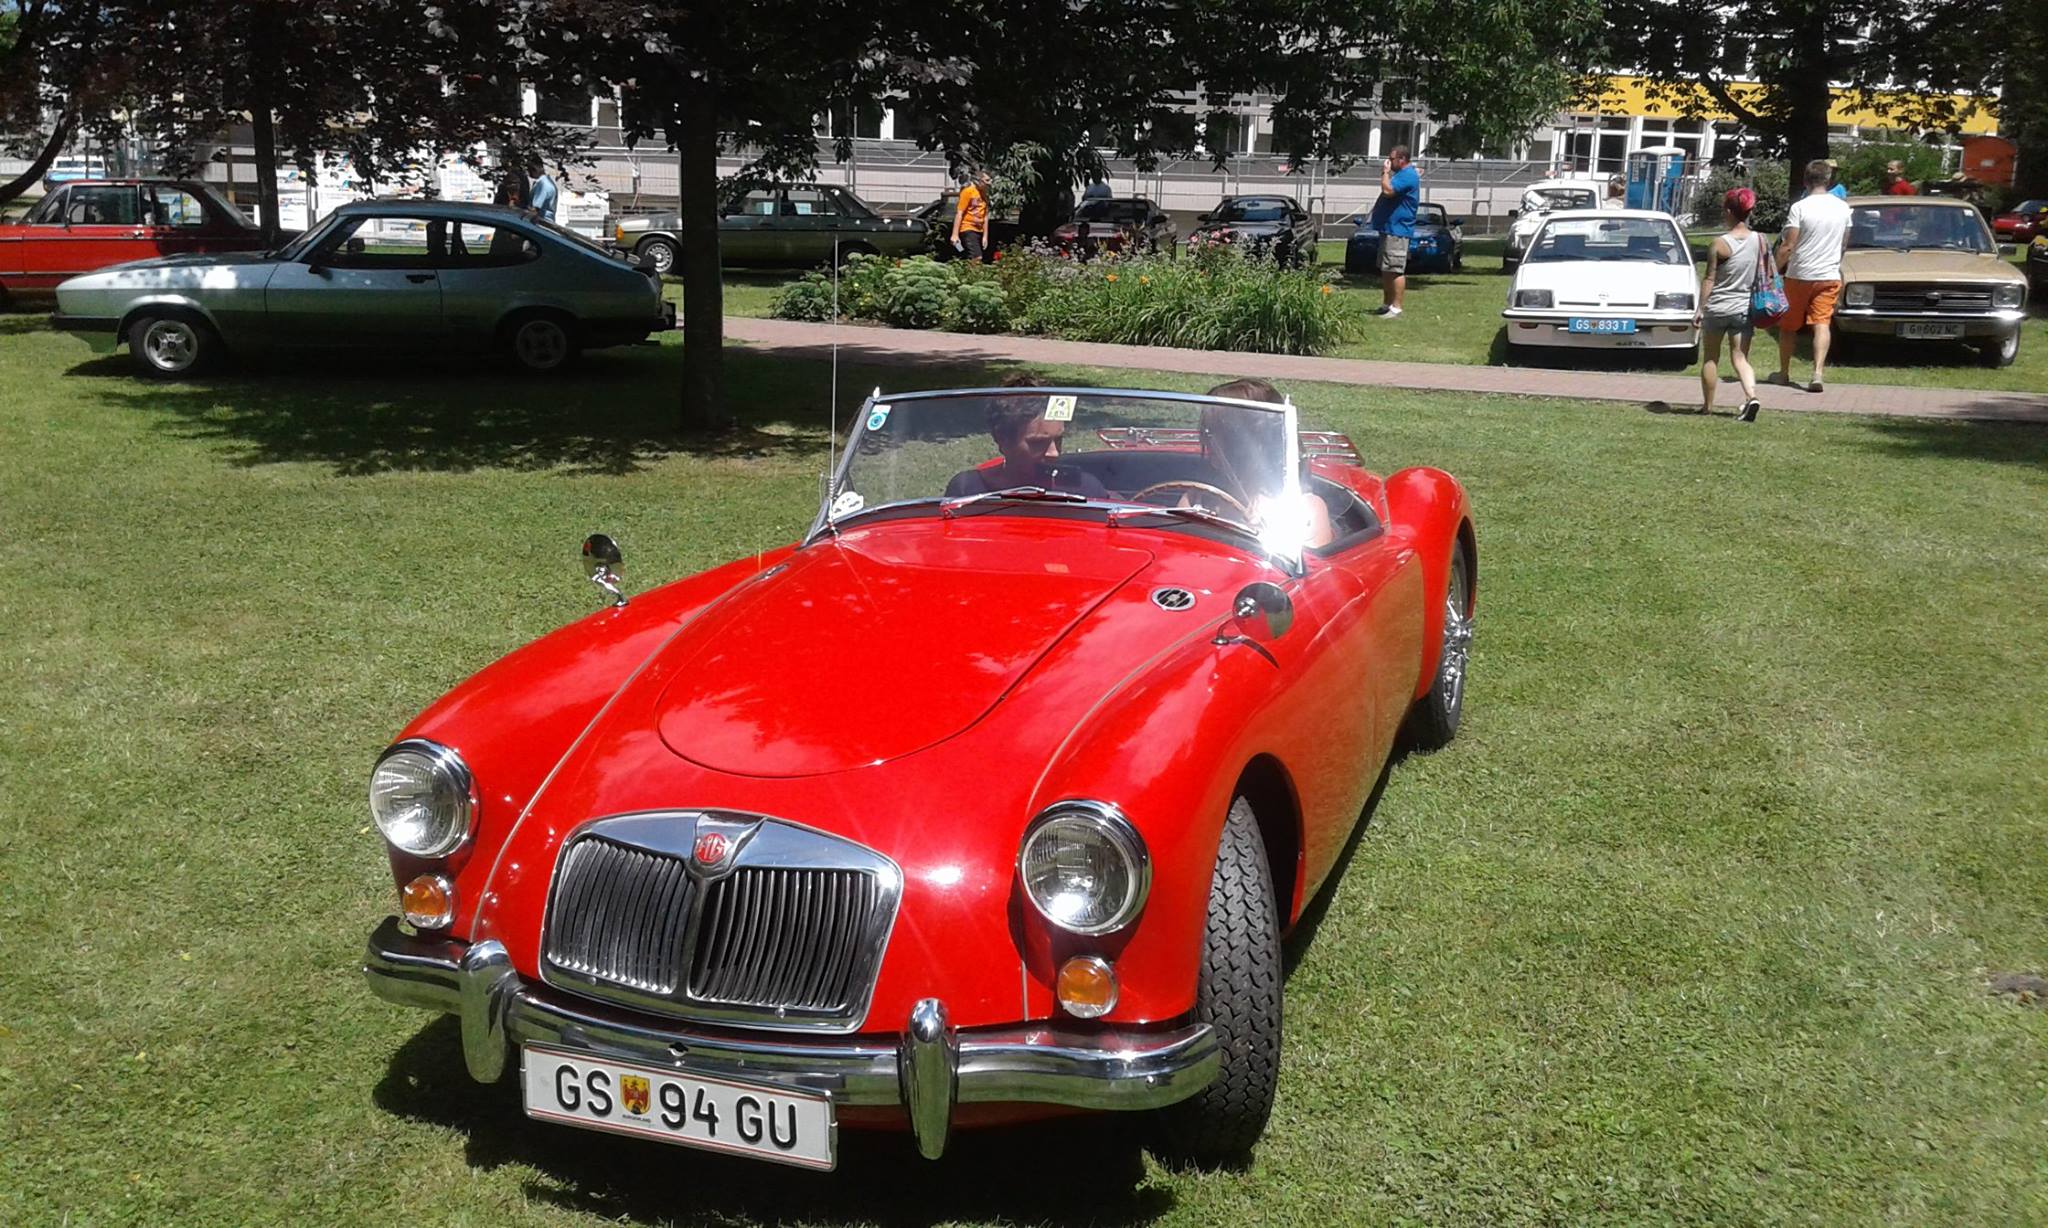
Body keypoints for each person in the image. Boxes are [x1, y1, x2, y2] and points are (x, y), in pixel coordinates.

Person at [1204, 379, 1334, 549]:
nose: (1210, 443)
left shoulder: (1303, 509)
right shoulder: (1199, 500)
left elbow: (1311, 571)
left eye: (1221, 434)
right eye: (1208, 433)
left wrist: (1257, 532)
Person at [943, 374, 1110, 499]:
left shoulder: (1084, 490)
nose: (1054, 453)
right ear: (1002, 439)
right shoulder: (968, 491)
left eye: (1058, 440)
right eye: (1038, 443)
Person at [1773, 157, 1853, 393]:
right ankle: (1817, 373)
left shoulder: (1800, 207)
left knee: (1788, 326)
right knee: (1822, 323)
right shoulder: (1843, 208)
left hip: (1800, 274)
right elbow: (1843, 245)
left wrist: (1773, 270)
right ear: (1828, 180)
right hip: (1829, 274)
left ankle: (1784, 372)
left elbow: (1788, 245)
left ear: (1806, 180)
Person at [1697, 187, 1763, 422]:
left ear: (1728, 211)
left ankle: (1707, 407)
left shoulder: (1719, 243)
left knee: (1711, 358)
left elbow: (1709, 278)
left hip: (1717, 308)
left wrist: (1700, 309)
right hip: (1742, 308)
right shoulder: (1759, 240)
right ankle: (1751, 395)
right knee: (1740, 358)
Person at [1372, 146, 1421, 317]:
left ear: (1402, 159)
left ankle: (1397, 307)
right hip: (1389, 228)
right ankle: (1387, 303)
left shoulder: (1407, 175)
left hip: (1398, 230)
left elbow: (1388, 191)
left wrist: (1384, 173)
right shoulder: (1402, 175)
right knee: (1386, 268)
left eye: (1391, 159)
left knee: (1395, 269)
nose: (1388, 162)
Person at [951, 169, 992, 263]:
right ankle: (973, 276)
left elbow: (985, 216)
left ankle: (968, 274)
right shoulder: (968, 192)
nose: (989, 183)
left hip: (979, 229)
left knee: (972, 256)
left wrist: (985, 236)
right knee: (977, 257)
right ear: (978, 180)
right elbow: (959, 213)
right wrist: (955, 234)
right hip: (968, 228)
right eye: (987, 180)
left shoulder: (984, 195)